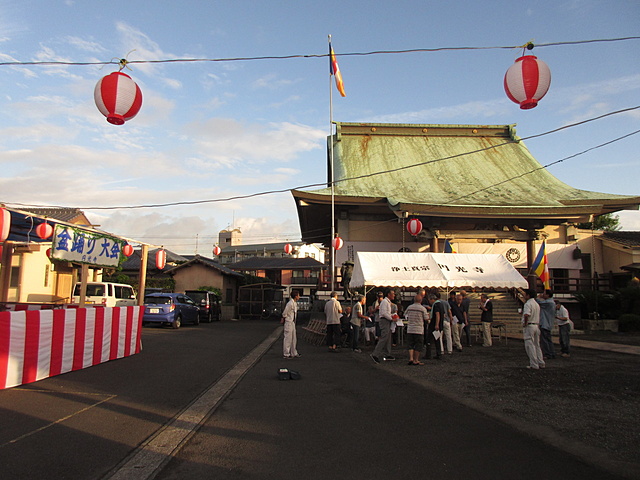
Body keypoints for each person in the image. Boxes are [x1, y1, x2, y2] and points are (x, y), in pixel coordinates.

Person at [371, 289, 396, 363]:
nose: (394, 295)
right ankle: (375, 354)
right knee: (384, 337)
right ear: (388, 294)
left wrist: (392, 316)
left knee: (388, 337)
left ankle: (387, 353)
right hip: (384, 320)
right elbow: (384, 313)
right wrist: (391, 318)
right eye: (393, 294)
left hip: (386, 320)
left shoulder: (387, 302)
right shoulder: (385, 302)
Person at [522, 289, 545, 369]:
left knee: (530, 345)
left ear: (528, 295)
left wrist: (525, 323)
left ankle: (534, 364)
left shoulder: (528, 304)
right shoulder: (536, 304)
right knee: (537, 345)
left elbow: (526, 315)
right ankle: (540, 361)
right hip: (536, 324)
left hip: (530, 325)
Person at [404, 294, 428, 365]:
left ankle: (411, 358)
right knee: (418, 345)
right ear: (421, 300)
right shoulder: (422, 309)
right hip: (418, 329)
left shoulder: (409, 307)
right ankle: (416, 360)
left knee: (410, 344)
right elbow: (426, 318)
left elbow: (405, 315)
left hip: (410, 329)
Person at [536, 290, 556, 359]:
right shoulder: (552, 302)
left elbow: (539, 302)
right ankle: (551, 352)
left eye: (544, 294)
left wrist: (538, 297)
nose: (543, 295)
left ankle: (547, 353)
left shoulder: (549, 302)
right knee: (548, 339)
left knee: (544, 339)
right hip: (548, 323)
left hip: (545, 323)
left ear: (548, 295)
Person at [282, 290, 301, 358]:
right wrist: (286, 317)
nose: (299, 296)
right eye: (298, 295)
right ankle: (286, 353)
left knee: (293, 338)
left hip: (292, 322)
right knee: (288, 338)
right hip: (289, 322)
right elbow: (285, 312)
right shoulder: (290, 304)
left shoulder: (294, 303)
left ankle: (293, 352)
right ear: (296, 296)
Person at [425, 293, 443, 360]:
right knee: (437, 340)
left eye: (429, 300)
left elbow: (437, 314)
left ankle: (428, 354)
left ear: (432, 299)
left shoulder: (436, 305)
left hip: (434, 325)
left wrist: (436, 324)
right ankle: (438, 353)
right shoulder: (440, 304)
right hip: (439, 324)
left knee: (429, 339)